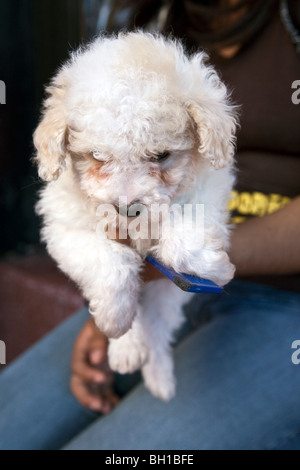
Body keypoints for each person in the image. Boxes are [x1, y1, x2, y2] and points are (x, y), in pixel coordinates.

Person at [0, 0, 300, 450]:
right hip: (155, 274)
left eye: (160, 157)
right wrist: (111, 301)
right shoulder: (155, 20)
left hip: (281, 298)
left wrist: (186, 254)